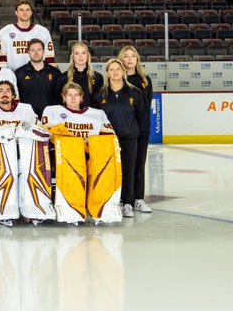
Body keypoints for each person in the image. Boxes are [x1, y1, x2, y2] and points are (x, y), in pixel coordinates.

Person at [0, 81, 53, 226]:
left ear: (13, 94)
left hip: (23, 151)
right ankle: (2, 211)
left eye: (8, 90)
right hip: (0, 151)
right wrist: (8, 129)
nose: (5, 93)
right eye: (1, 91)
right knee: (5, 172)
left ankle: (34, 209)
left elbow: (38, 128)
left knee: (30, 172)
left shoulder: (25, 109)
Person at [41, 82, 119, 225]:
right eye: (69, 95)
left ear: (81, 98)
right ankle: (72, 210)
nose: (72, 98)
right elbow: (48, 131)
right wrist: (77, 141)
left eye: (76, 95)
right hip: (67, 156)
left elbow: (109, 135)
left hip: (91, 154)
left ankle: (100, 208)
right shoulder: (53, 111)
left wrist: (88, 143)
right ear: (63, 97)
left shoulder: (97, 114)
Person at [94, 58, 150, 218]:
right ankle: (112, 201)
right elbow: (96, 119)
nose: (115, 72)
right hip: (108, 141)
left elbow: (141, 116)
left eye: (118, 69)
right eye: (111, 69)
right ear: (107, 73)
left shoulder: (134, 93)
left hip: (129, 138)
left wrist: (138, 135)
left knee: (129, 170)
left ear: (123, 71)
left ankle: (127, 202)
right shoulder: (100, 94)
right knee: (110, 172)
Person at [118, 44, 154, 215]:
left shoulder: (145, 80)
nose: (130, 59)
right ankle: (125, 199)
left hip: (141, 129)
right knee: (125, 165)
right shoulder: (117, 79)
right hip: (124, 130)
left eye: (133, 56)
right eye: (126, 56)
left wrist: (142, 127)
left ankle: (138, 198)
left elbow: (145, 106)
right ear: (121, 59)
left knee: (139, 164)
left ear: (137, 59)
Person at [0, 0, 55, 71]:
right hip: (13, 75)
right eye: (21, 10)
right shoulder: (4, 32)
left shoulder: (42, 31)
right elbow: (2, 60)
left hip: (38, 75)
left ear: (31, 12)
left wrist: (50, 74)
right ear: (16, 12)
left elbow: (49, 57)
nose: (25, 12)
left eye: (27, 10)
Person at [15, 37, 61, 117]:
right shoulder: (19, 73)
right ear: (28, 52)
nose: (36, 53)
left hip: (50, 118)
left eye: (39, 50)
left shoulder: (55, 73)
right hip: (27, 118)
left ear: (44, 51)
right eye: (32, 50)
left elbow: (59, 98)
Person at [56, 41, 102, 107]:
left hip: (91, 116)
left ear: (88, 56)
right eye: (77, 53)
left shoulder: (97, 77)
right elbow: (58, 102)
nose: (80, 56)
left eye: (83, 53)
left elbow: (100, 102)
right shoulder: (63, 78)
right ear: (73, 57)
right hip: (71, 116)